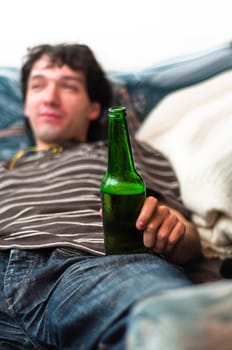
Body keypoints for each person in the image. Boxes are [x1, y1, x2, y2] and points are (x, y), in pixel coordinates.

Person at [0, 43, 201, 349]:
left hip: (92, 266)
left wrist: (171, 230)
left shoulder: (125, 152)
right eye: (38, 85)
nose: (50, 98)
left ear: (93, 108)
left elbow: (186, 238)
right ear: (26, 104)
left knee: (173, 326)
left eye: (68, 87)